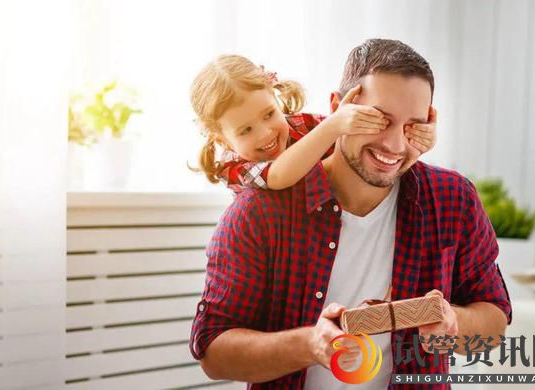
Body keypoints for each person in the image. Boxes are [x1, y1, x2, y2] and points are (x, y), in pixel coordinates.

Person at [190, 39, 512, 390]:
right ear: (338, 109)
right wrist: (310, 345)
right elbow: (214, 351)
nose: (394, 146)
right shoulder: (258, 212)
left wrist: (454, 321)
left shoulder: (453, 199)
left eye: (412, 126)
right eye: (378, 120)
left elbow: (494, 323)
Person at [189, 54, 436, 193]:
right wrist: (332, 126)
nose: (266, 133)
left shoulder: (302, 126)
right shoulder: (233, 166)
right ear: (222, 139)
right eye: (245, 130)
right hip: (281, 241)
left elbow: (353, 142)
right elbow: (277, 177)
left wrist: (416, 136)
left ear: (275, 95)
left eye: (268, 114)